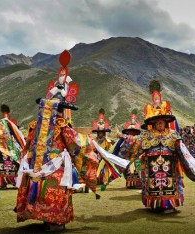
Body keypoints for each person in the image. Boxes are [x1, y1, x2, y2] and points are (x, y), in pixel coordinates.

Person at [15, 50, 101, 231]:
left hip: (38, 167)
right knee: (54, 191)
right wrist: (92, 147)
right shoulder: (61, 126)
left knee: (43, 190)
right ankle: (54, 221)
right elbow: (76, 143)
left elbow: (27, 146)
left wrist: (28, 161)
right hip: (55, 167)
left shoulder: (35, 126)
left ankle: (46, 219)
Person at [128, 80, 195, 213]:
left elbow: (180, 153)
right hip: (152, 166)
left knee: (169, 184)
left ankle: (169, 205)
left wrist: (189, 170)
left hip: (170, 165)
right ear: (154, 124)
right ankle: (155, 205)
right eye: (158, 123)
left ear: (166, 123)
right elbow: (136, 149)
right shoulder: (147, 136)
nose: (160, 124)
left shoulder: (173, 135)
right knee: (154, 185)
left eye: (162, 122)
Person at [113, 109, 142, 189]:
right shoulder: (125, 139)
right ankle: (130, 183)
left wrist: (121, 135)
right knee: (129, 169)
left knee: (137, 168)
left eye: (133, 131)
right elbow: (117, 147)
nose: (132, 133)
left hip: (137, 158)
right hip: (128, 158)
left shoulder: (139, 139)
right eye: (130, 131)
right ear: (128, 131)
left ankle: (138, 184)